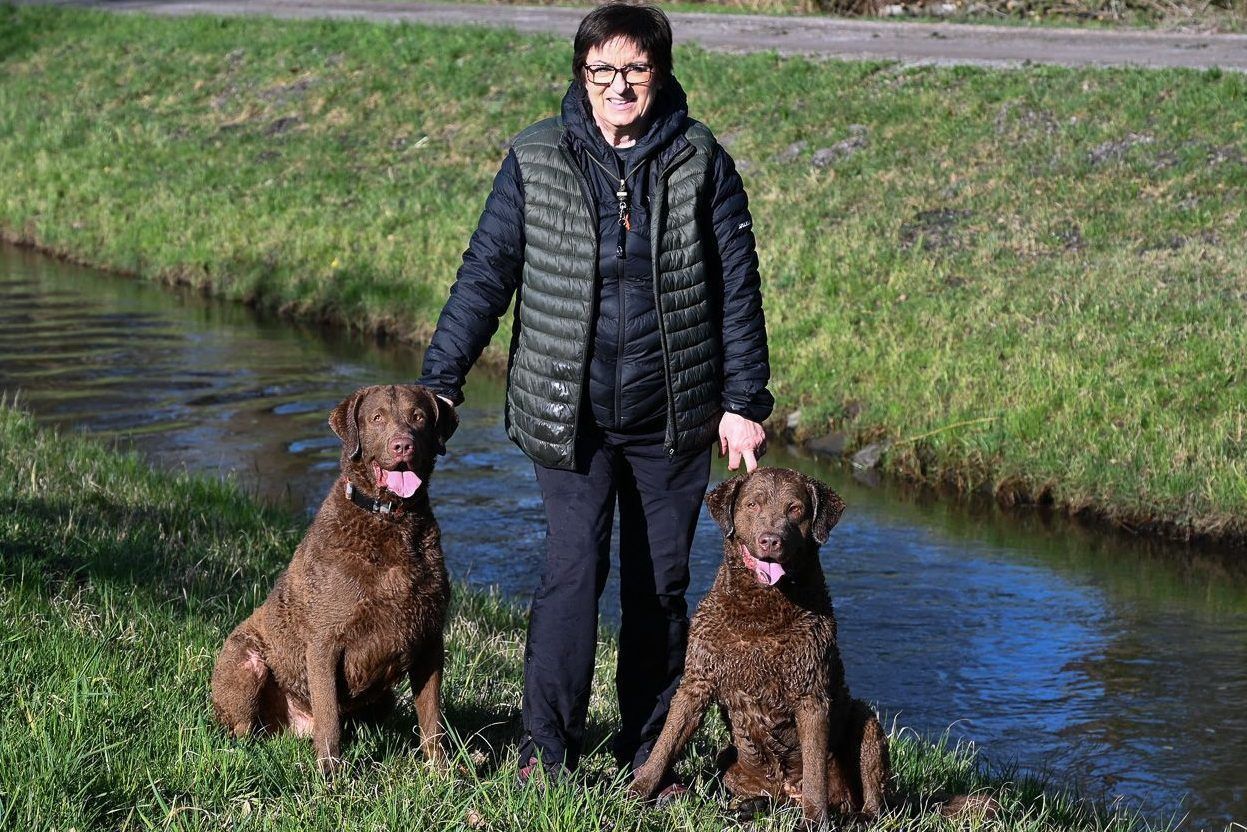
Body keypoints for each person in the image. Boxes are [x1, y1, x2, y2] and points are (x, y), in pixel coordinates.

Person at [418, 1, 773, 786]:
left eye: (635, 69)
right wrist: (440, 382)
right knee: (571, 575)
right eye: (601, 70)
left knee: (661, 586)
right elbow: (485, 274)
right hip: (565, 415)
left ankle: (649, 755)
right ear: (580, 75)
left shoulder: (700, 160)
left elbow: (736, 286)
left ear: (661, 72)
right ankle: (545, 753)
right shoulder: (535, 158)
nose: (618, 86)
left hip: (673, 414)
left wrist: (745, 400)